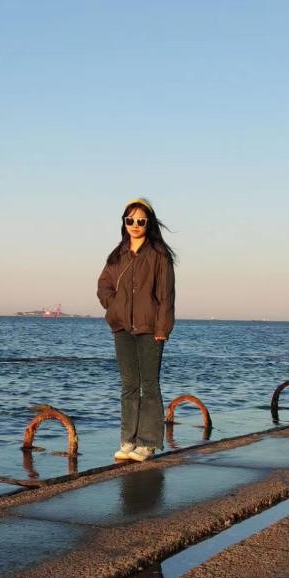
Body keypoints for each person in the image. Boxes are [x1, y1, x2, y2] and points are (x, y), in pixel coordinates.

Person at [96, 198, 176, 462]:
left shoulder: (159, 255)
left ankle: (148, 443)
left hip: (150, 328)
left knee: (149, 385)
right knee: (129, 385)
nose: (135, 225)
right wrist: (114, 306)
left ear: (148, 223)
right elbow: (104, 285)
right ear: (124, 222)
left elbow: (166, 295)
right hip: (122, 328)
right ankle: (128, 439)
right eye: (130, 220)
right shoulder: (117, 255)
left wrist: (163, 327)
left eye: (141, 220)